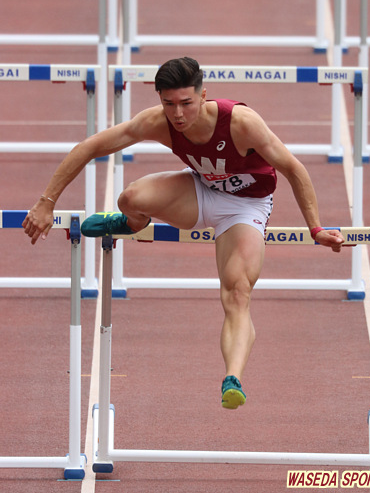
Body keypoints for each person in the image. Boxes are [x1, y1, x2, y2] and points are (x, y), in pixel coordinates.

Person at [23, 57, 344, 410]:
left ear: (203, 95)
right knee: (129, 198)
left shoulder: (241, 123)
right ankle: (132, 224)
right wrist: (46, 202)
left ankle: (232, 378)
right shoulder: (157, 121)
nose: (178, 114)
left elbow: (294, 170)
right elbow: (90, 147)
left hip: (246, 206)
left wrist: (315, 227)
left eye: (186, 103)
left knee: (237, 291)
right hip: (201, 191)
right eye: (169, 104)